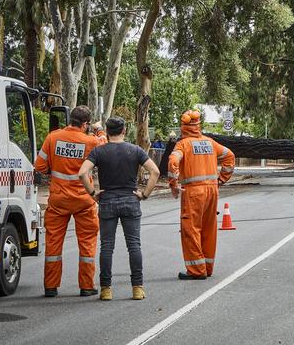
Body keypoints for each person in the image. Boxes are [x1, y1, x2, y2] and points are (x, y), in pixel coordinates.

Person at [78, 117, 160, 300]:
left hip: (107, 201)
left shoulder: (99, 152)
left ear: (107, 132)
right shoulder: (135, 150)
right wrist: (144, 194)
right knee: (134, 245)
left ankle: (106, 289)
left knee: (107, 247)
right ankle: (137, 288)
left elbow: (83, 172)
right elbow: (155, 171)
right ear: (124, 131)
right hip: (131, 201)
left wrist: (93, 193)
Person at [34, 106, 107, 297]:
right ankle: (86, 286)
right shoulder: (91, 141)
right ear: (85, 124)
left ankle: (50, 287)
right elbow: (106, 148)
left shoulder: (53, 137)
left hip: (58, 200)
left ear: (71, 119)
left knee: (53, 244)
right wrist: (99, 129)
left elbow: (40, 166)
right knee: (87, 243)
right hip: (84, 200)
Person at [168, 110, 235, 280]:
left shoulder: (183, 145)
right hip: (212, 191)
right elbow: (229, 157)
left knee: (190, 229)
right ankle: (207, 266)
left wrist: (173, 184)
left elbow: (173, 161)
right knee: (208, 229)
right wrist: (221, 179)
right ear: (199, 126)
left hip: (193, 192)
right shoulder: (210, 143)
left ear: (183, 127)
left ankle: (197, 270)